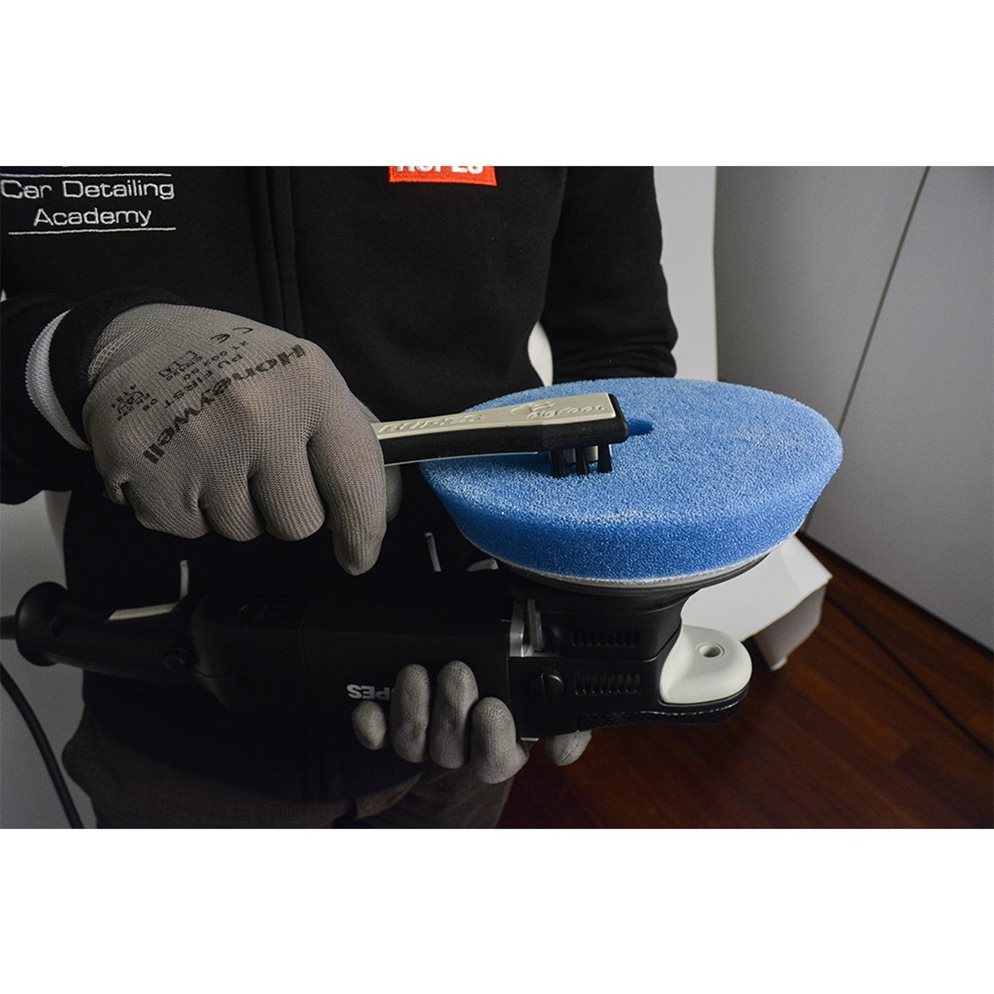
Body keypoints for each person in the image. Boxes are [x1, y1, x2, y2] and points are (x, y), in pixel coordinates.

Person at [0, 166, 678, 828]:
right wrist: (70, 365)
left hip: (482, 678)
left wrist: (589, 604)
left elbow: (624, 352)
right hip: (171, 724)